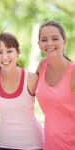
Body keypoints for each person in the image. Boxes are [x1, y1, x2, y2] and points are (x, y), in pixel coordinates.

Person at [0, 33, 43, 150]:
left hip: (33, 144)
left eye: (9, 51)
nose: (5, 57)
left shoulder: (31, 79)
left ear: (18, 53)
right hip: (3, 144)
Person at [36, 20, 75, 150]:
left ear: (64, 41)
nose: (49, 43)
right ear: (39, 44)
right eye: (44, 39)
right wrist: (1, 69)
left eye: (55, 38)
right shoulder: (42, 66)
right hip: (49, 144)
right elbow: (24, 84)